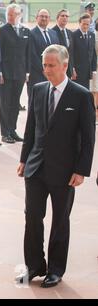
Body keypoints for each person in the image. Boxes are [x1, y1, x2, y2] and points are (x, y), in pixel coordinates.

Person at [16, 44, 95, 288]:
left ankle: (56, 270)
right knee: (32, 218)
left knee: (60, 220)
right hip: (36, 167)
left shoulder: (81, 95)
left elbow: (88, 136)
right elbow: (31, 128)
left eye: (51, 65)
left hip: (65, 171)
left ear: (64, 65)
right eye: (44, 65)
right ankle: (34, 265)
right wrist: (23, 159)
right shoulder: (38, 90)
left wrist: (81, 170)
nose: (46, 70)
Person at [0, 4, 30, 144]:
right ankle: (5, 133)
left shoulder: (25, 31)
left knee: (15, 103)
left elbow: (27, 54)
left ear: (19, 15)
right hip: (6, 74)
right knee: (5, 103)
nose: (11, 17)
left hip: (20, 74)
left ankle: (12, 130)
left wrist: (27, 72)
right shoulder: (2, 31)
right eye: (9, 14)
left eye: (14, 14)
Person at [28, 9, 59, 102]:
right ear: (36, 18)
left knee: (50, 101)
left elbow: (57, 52)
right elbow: (32, 55)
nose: (44, 18)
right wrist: (44, 70)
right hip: (37, 75)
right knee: (36, 101)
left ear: (49, 19)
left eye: (46, 17)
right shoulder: (31, 33)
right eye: (41, 16)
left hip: (53, 75)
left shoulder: (54, 33)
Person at [72, 13, 97, 90]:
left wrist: (93, 70)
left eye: (87, 24)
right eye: (84, 24)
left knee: (86, 92)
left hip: (87, 72)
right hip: (77, 73)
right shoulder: (73, 35)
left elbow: (93, 54)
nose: (86, 26)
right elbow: (71, 54)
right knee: (76, 92)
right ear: (80, 23)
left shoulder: (92, 35)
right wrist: (72, 69)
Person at [52, 9, 74, 78]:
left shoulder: (69, 33)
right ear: (57, 18)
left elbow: (71, 52)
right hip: (57, 68)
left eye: (67, 16)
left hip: (68, 68)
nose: (65, 17)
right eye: (62, 16)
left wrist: (72, 68)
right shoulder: (52, 32)